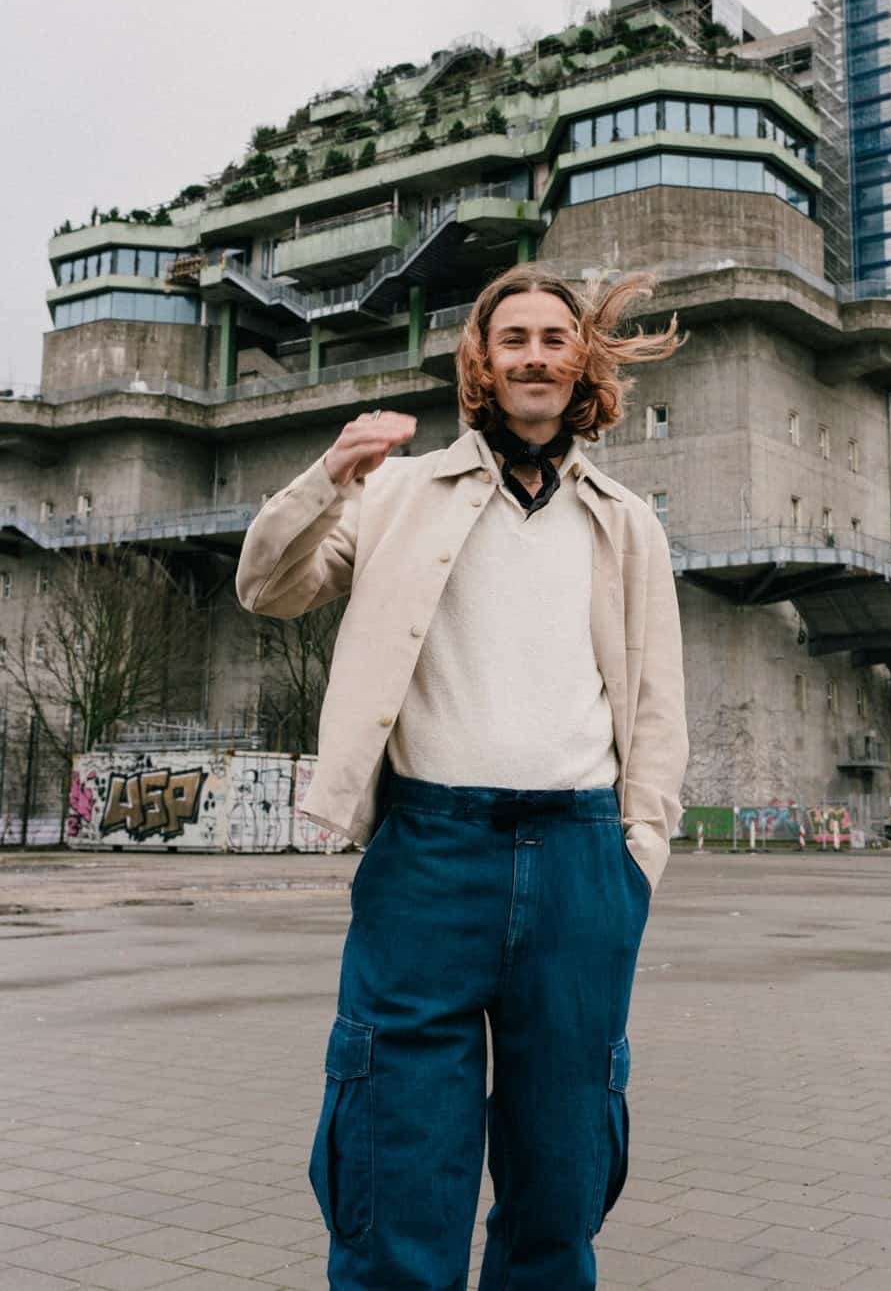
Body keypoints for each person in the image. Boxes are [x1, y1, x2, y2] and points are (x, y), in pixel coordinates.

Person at [236, 263, 689, 1290]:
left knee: (560, 1177)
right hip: (429, 858)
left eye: (554, 338)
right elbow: (267, 586)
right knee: (398, 1157)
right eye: (514, 337)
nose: (534, 354)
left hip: (582, 862)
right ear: (480, 361)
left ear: (584, 363)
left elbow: (658, 707)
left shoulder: (628, 521)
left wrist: (638, 858)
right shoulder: (398, 493)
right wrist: (330, 474)